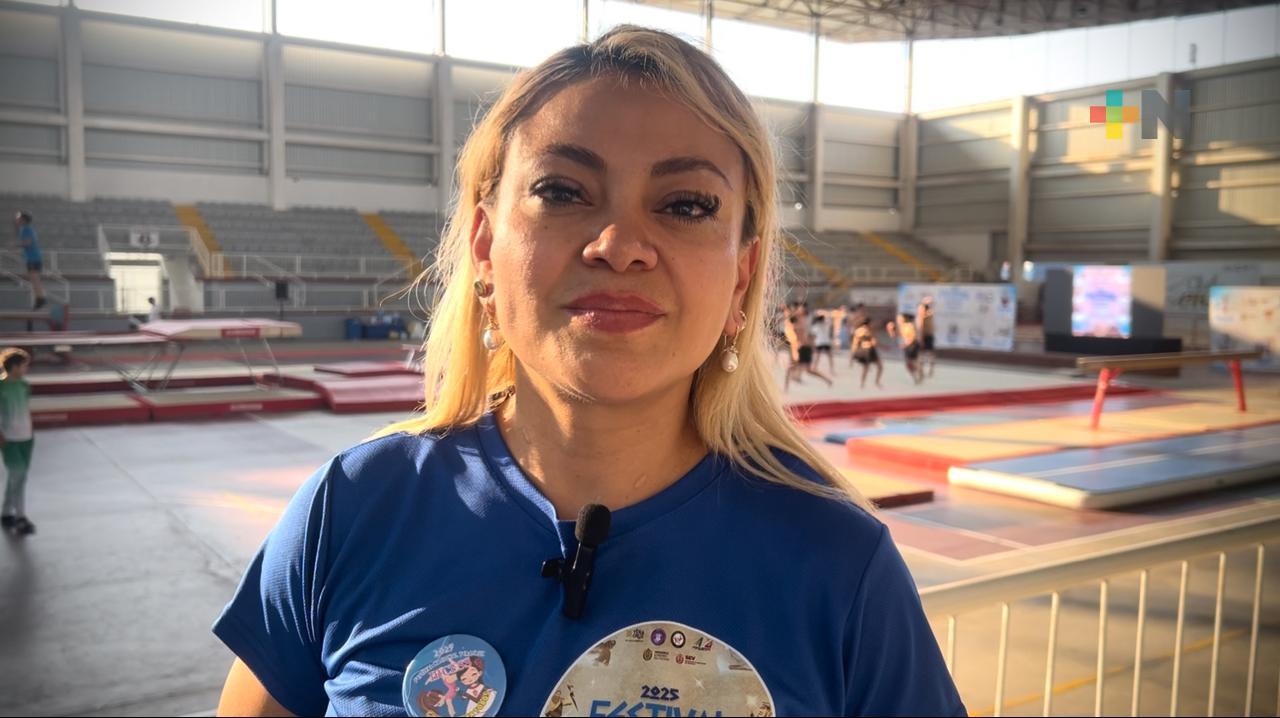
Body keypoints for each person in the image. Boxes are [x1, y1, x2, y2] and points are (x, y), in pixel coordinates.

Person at [213, 26, 962, 717]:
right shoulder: (352, 510)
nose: (619, 244)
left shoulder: (840, 567)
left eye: (686, 205)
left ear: (742, 276)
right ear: (483, 247)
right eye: (562, 191)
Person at [0, 348, 36, 537]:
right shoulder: (1, 387)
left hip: (26, 438)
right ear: (13, 367)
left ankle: (6, 512)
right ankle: (20, 516)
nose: (26, 369)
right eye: (23, 366)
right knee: (18, 475)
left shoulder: (24, 385)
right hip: (9, 439)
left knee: (18, 477)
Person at [13, 211, 45, 309]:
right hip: (33, 258)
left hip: (33, 258)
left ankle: (40, 299)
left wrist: (15, 246)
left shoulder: (27, 229)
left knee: (35, 279)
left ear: (23, 220)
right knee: (33, 279)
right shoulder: (25, 229)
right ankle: (40, 298)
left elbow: (28, 243)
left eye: (19, 219)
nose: (17, 220)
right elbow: (18, 230)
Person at [850, 318, 883, 389]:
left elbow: (855, 344)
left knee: (867, 368)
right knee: (877, 367)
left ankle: (863, 383)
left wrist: (852, 356)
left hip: (866, 350)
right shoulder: (867, 330)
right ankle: (875, 382)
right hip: (868, 350)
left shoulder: (859, 331)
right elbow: (874, 342)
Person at [896, 312, 924, 384]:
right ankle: (915, 377)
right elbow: (902, 336)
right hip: (907, 346)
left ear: (904, 318)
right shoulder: (902, 326)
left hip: (913, 346)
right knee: (908, 364)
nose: (898, 320)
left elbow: (912, 337)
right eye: (898, 318)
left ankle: (920, 373)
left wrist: (905, 345)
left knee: (913, 362)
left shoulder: (909, 326)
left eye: (900, 318)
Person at [917, 296, 936, 378]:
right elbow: (920, 325)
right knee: (923, 354)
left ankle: (928, 370)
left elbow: (921, 326)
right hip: (925, 335)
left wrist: (920, 338)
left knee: (926, 353)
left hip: (927, 335)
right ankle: (922, 370)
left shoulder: (928, 312)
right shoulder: (925, 312)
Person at [811, 311, 835, 376]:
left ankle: (814, 368)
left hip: (819, 342)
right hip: (826, 342)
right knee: (830, 356)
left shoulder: (815, 326)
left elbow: (813, 336)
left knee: (817, 357)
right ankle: (832, 369)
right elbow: (831, 323)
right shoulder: (827, 324)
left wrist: (813, 344)